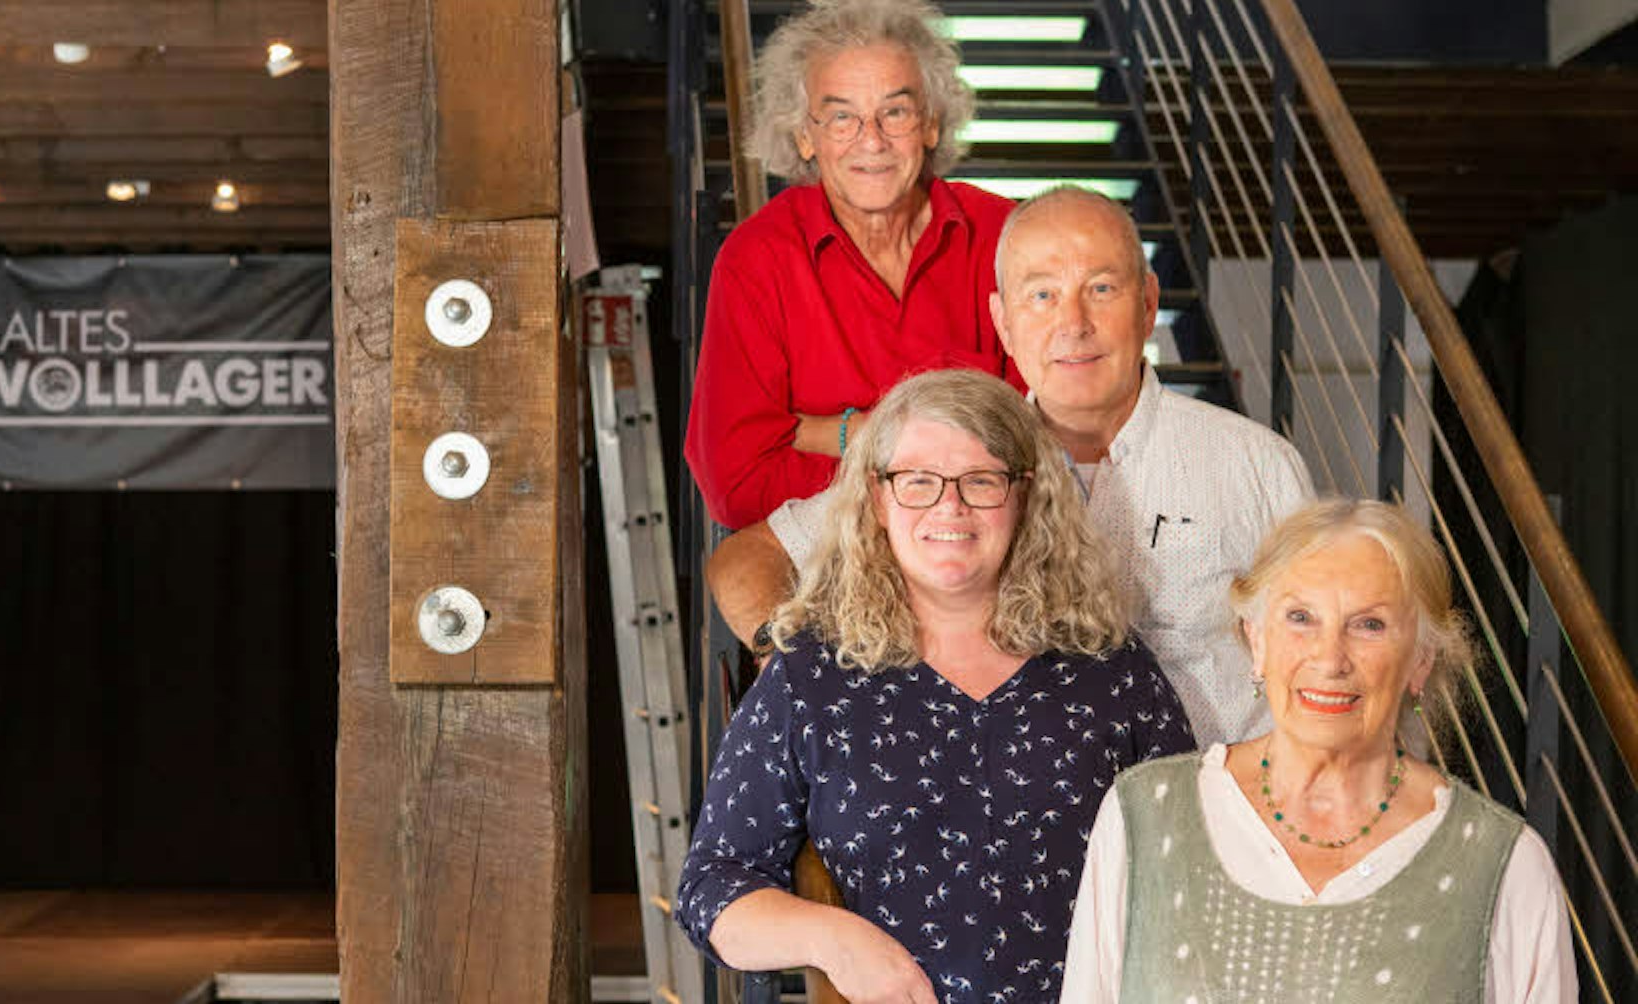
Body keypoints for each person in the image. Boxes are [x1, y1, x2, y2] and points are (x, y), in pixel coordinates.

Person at [709, 186, 1313, 746]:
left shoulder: (1254, 466)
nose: (1073, 324)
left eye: (1102, 289)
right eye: (1042, 295)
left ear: (1149, 303)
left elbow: (1324, 652)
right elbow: (744, 561)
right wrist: (793, 663)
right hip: (1015, 813)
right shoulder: (949, 461)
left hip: (1206, 808)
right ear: (1003, 321)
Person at [676, 369, 1196, 1004]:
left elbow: (1192, 869)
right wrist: (837, 941)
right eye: (917, 481)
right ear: (878, 499)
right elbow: (711, 889)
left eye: (981, 480)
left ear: (1026, 496)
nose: (950, 507)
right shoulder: (813, 677)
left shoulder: (1112, 670)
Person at [1060, 499, 1577, 1004]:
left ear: (1421, 660)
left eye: (1369, 625)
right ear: (1257, 641)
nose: (1330, 659)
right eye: (1301, 617)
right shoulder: (1144, 818)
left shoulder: (1504, 865)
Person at [683, 0, 1025, 531]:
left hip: (985, 547)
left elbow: (1043, 441)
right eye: (842, 117)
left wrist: (835, 434)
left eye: (896, 112)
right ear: (805, 135)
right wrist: (939, 472)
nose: (871, 140)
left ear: (931, 123)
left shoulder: (1005, 236)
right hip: (826, 553)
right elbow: (737, 484)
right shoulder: (757, 258)